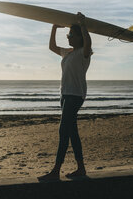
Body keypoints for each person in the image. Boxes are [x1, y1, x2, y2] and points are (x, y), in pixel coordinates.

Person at [38, 12, 92, 181]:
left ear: (79, 38)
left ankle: (55, 171)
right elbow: (52, 47)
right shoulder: (67, 53)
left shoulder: (85, 53)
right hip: (65, 95)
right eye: (68, 35)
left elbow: (88, 41)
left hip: (75, 95)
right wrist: (54, 28)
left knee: (63, 131)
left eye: (71, 35)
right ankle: (81, 168)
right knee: (72, 132)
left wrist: (83, 25)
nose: (68, 37)